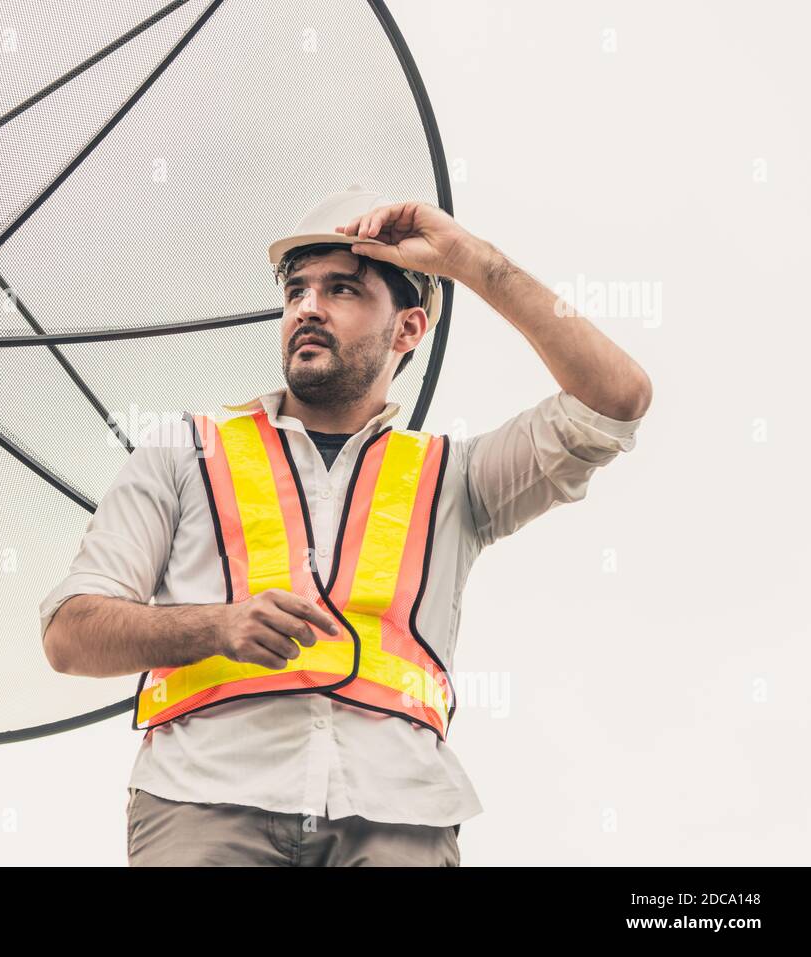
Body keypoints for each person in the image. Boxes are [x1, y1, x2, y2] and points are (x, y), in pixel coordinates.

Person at [39, 185, 653, 866]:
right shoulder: (182, 449)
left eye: (341, 290)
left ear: (409, 328)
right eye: (296, 289)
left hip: (401, 807)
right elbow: (71, 632)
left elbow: (616, 398)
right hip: (205, 797)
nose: (307, 307)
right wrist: (217, 625)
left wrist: (470, 260)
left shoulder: (458, 476)